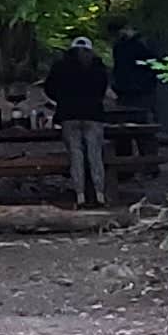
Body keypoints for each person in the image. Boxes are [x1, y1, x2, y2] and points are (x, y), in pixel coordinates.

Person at [46, 34, 116, 208]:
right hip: (93, 115)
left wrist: (62, 100)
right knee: (95, 154)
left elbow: (49, 88)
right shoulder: (98, 67)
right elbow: (102, 90)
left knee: (76, 155)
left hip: (69, 115)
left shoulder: (60, 66)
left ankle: (80, 194)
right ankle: (99, 193)